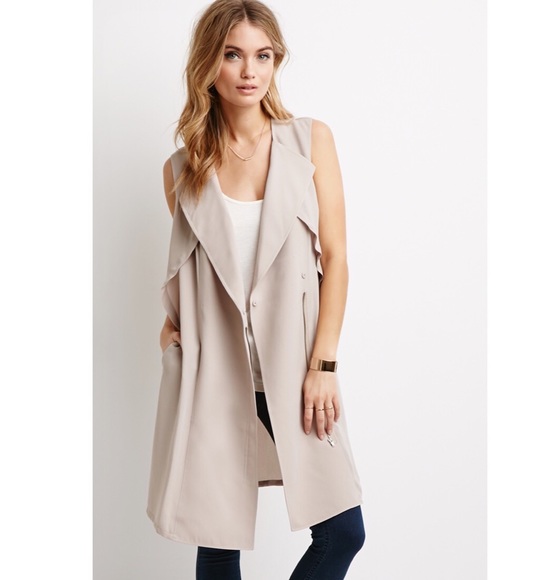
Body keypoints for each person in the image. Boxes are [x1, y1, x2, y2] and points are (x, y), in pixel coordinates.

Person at [147, 1, 364, 578]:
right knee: (217, 537)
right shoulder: (181, 171)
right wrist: (171, 334)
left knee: (343, 531)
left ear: (276, 62)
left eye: (263, 55)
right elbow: (199, 278)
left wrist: (324, 365)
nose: (250, 71)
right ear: (208, 65)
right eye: (233, 54)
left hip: (297, 370)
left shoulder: (309, 142)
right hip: (215, 375)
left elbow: (337, 259)